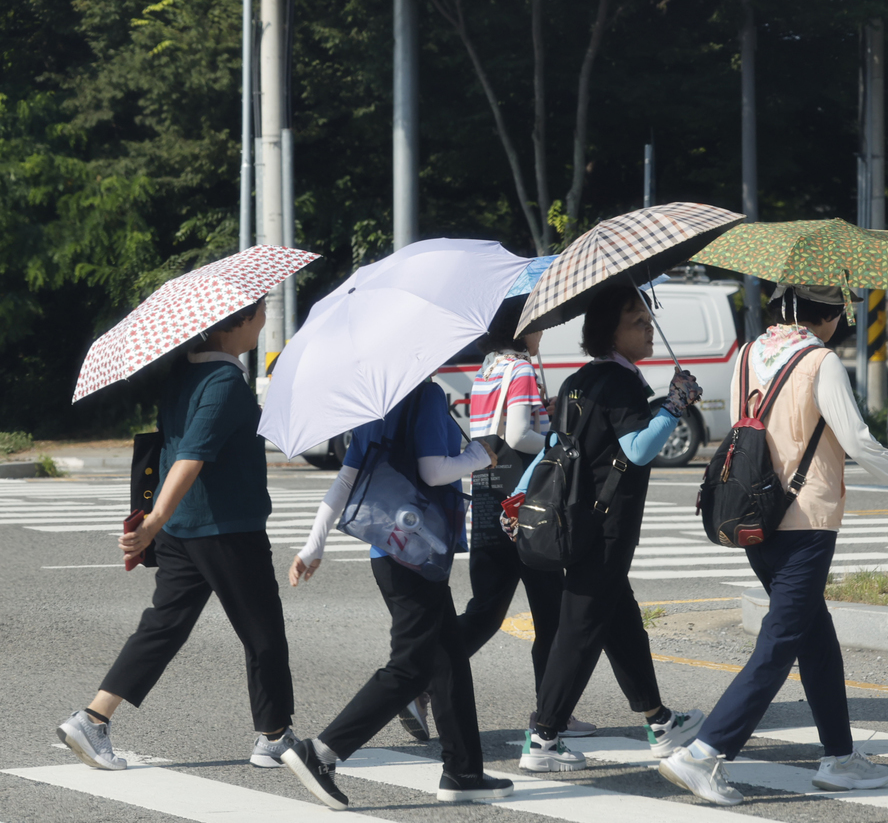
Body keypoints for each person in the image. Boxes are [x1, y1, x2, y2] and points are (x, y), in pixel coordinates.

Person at [658, 285, 888, 806]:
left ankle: (839, 757)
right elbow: (858, 440)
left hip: (752, 513)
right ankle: (703, 753)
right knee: (779, 644)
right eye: (842, 312)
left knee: (815, 640)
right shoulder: (820, 361)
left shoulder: (748, 354)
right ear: (831, 315)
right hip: (805, 521)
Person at [58, 298, 298, 772]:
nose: (264, 319)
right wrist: (150, 523)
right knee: (263, 633)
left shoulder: (183, 372)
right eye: (260, 312)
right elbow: (191, 456)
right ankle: (274, 736)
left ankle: (93, 718)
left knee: (163, 627)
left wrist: (158, 522)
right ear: (237, 322)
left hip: (182, 530)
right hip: (225, 528)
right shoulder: (224, 381)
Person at [282, 378, 512, 809]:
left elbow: (347, 479)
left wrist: (314, 544)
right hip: (416, 551)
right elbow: (433, 470)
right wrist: (479, 455)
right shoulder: (426, 394)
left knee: (448, 660)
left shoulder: (376, 401)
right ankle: (322, 751)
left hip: (387, 551)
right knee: (411, 666)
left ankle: (463, 771)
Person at [513, 282, 707, 772]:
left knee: (622, 624)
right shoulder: (622, 384)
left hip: (576, 520)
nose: (648, 328)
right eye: (636, 321)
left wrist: (520, 495)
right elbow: (637, 449)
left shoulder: (576, 381)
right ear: (610, 331)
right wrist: (675, 405)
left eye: (647, 319)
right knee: (579, 630)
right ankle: (544, 737)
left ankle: (660, 721)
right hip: (606, 527)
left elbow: (553, 448)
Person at [458, 299, 595, 737]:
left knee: (485, 610)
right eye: (537, 325)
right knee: (551, 613)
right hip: (525, 506)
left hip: (487, 497)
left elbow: (499, 430)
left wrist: (542, 415)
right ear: (520, 330)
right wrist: (560, 443)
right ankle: (552, 713)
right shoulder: (519, 369)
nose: (542, 332)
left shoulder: (487, 370)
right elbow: (519, 436)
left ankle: (420, 680)